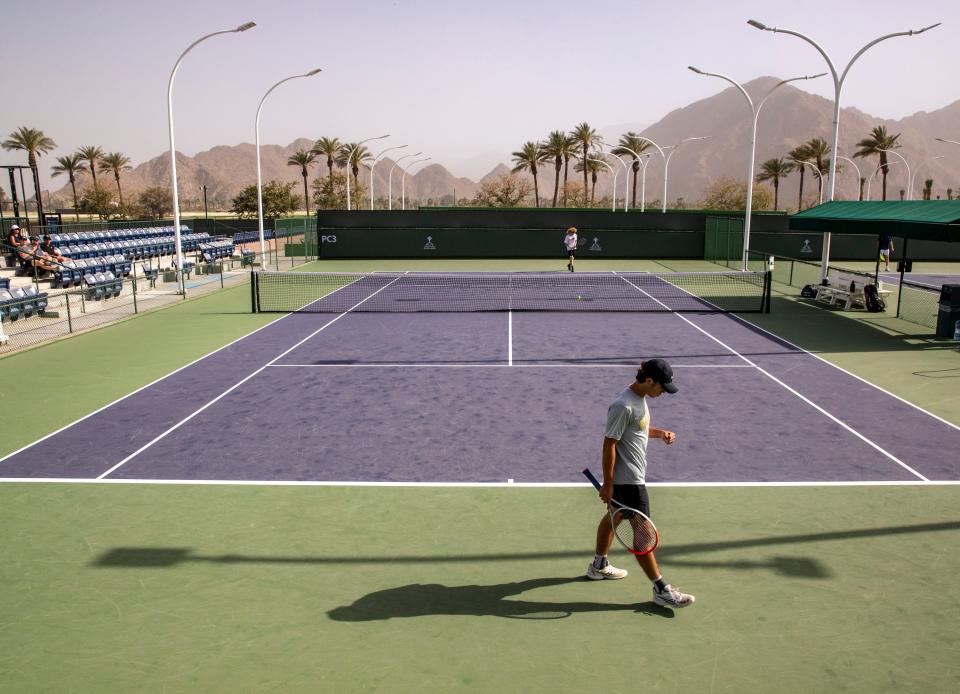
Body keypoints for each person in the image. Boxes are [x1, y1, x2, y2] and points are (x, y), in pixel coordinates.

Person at [586, 358, 695, 609]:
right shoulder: (623, 405)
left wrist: (660, 433)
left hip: (629, 479)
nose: (663, 393)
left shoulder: (639, 400)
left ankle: (599, 565)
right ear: (648, 381)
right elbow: (609, 444)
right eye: (661, 388)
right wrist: (609, 483)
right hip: (629, 482)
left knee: (615, 515)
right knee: (644, 536)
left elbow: (638, 429)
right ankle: (661, 589)